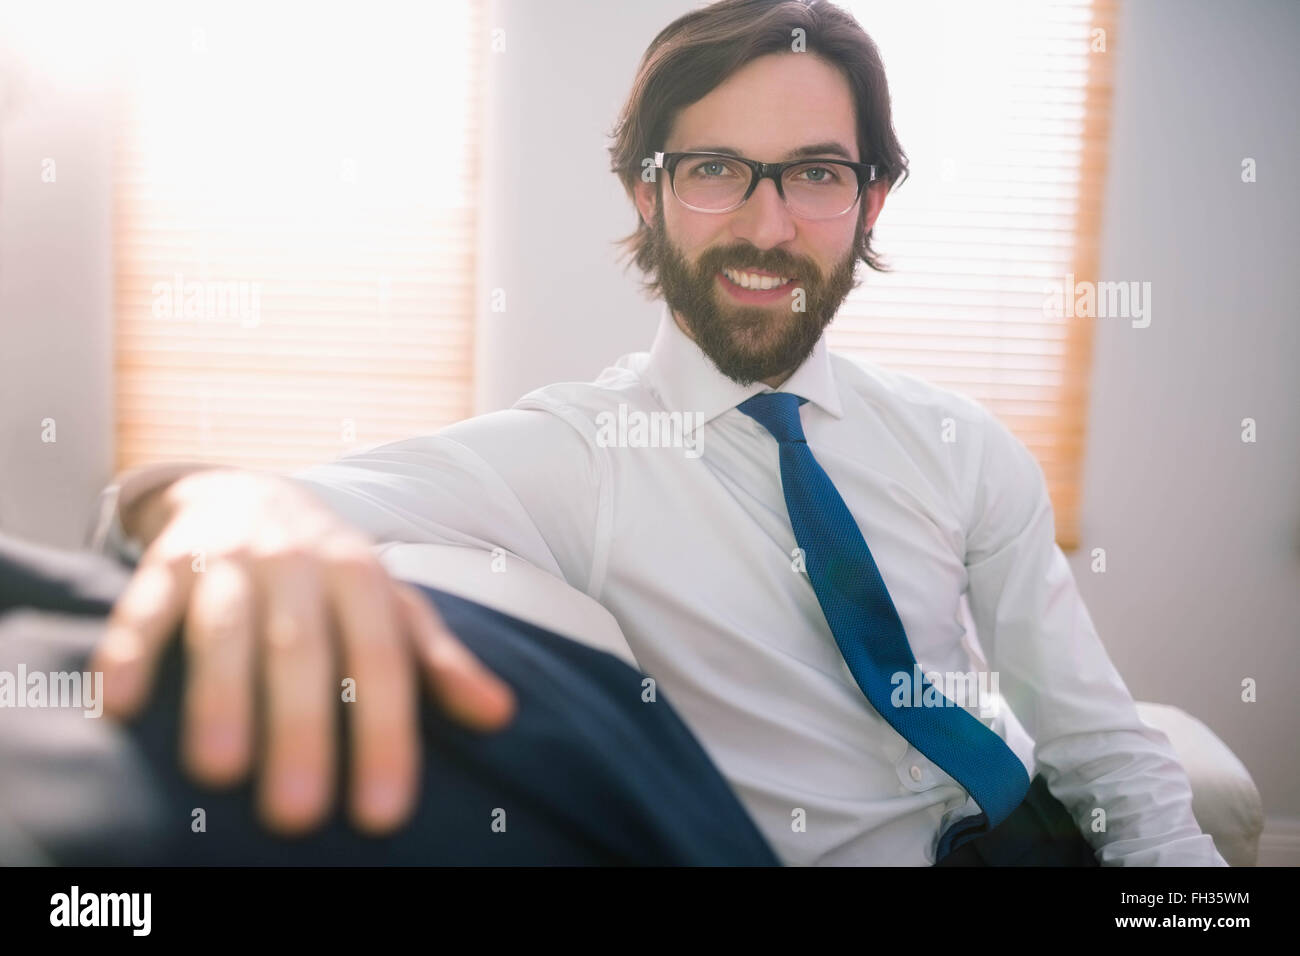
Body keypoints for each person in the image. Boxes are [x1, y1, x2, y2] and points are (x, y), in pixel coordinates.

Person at [88, 0, 1225, 865]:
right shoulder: (570, 457)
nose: (767, 225)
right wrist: (222, 503)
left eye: (816, 174)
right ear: (648, 194)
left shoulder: (960, 441)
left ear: (870, 201)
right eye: (716, 171)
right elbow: (217, 493)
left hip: (1029, 825)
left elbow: (1096, 734)